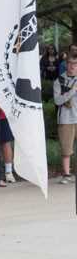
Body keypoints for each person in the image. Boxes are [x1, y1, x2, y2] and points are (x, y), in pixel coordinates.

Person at [54, 55, 77, 184]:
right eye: (70, 63)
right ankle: (66, 174)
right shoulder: (59, 81)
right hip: (66, 119)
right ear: (66, 64)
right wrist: (72, 91)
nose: (72, 66)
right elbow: (58, 100)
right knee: (66, 148)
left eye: (75, 63)